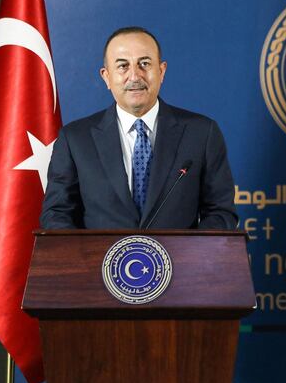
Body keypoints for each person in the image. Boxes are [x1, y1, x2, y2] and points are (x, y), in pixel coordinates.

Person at [40, 26, 238, 230]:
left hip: (180, 261)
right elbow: (57, 214)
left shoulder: (202, 133)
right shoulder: (75, 139)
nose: (135, 76)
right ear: (106, 76)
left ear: (161, 72)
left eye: (144, 64)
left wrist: (188, 256)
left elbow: (221, 213)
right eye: (123, 66)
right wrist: (86, 260)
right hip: (98, 261)